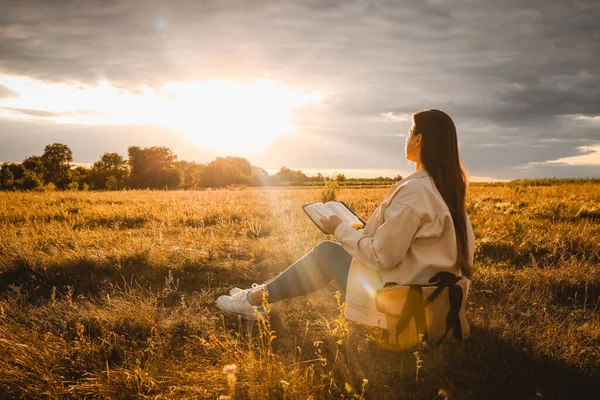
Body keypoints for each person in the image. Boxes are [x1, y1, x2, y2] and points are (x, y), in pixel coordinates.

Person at [216, 109, 475, 329]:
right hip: (430, 294)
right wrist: (361, 232)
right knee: (335, 253)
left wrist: (339, 228)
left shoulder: (415, 191)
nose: (407, 138)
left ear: (419, 139)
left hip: (402, 299)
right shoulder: (447, 189)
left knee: (327, 254)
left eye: (409, 132)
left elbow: (382, 257)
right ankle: (258, 294)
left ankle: (252, 301)